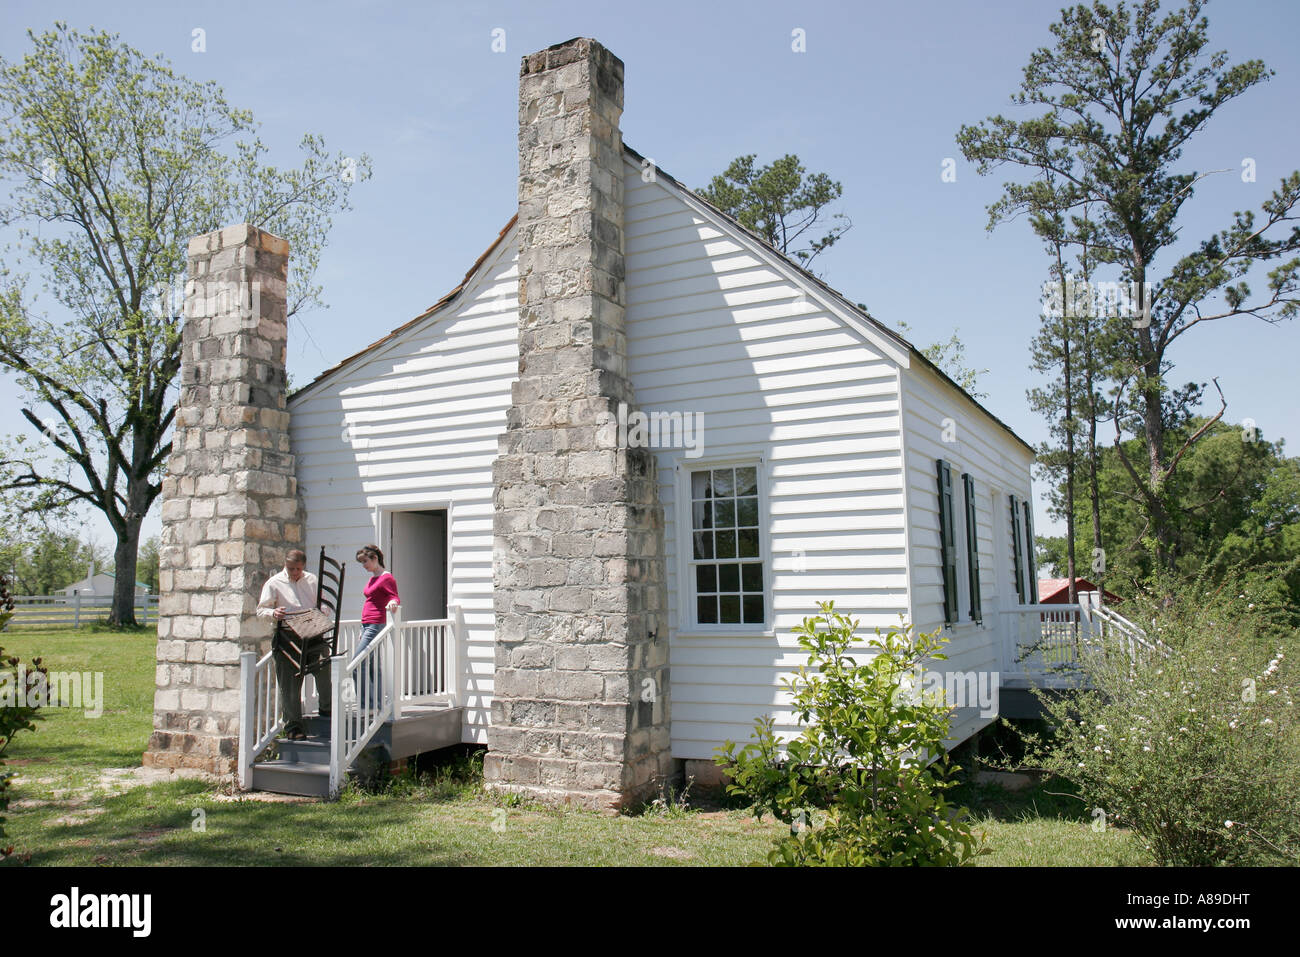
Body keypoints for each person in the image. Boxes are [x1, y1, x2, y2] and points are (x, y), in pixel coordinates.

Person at [257, 549, 331, 741]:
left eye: (298, 569)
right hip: (287, 636)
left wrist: (323, 611)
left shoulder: (312, 580)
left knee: (325, 668)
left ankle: (327, 709)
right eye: (291, 568)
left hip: (312, 631)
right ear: (285, 564)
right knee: (289, 684)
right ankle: (293, 727)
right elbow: (261, 610)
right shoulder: (274, 583)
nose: (294, 572)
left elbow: (322, 603)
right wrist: (273, 613)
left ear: (303, 566)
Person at [352, 544, 400, 712]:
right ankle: (377, 703)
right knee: (372, 665)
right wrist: (361, 629)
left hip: (376, 623)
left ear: (375, 558)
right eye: (362, 562)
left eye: (365, 561)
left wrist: (393, 603)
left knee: (357, 663)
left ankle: (368, 705)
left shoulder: (386, 577)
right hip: (366, 624)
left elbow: (394, 596)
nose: (364, 565)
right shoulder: (373, 578)